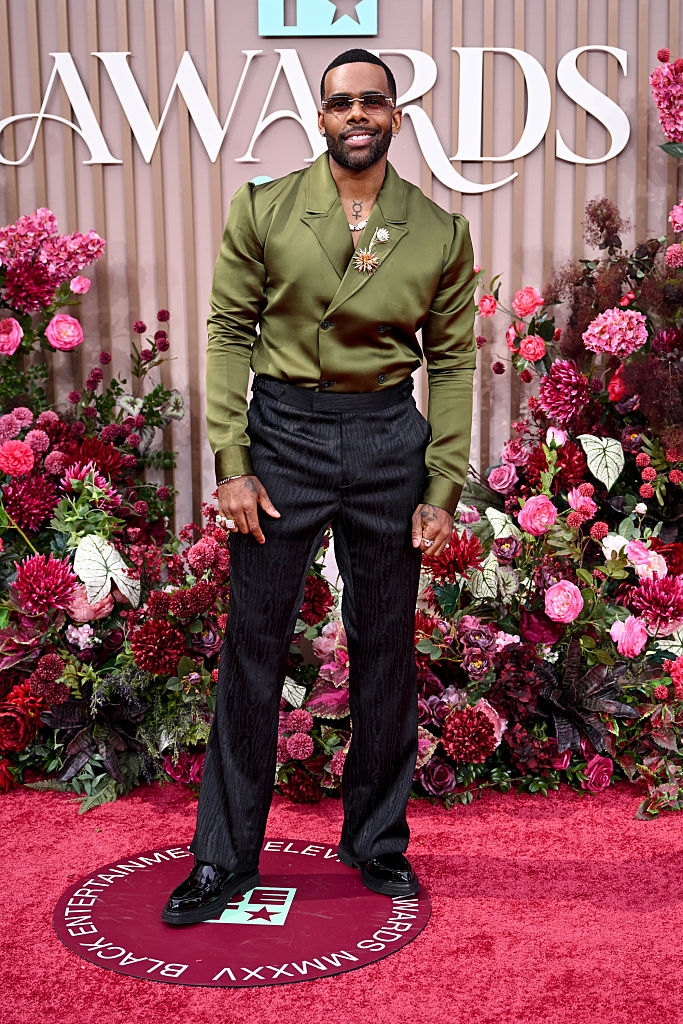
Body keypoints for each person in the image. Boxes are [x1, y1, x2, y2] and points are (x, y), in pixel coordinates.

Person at [162, 48, 476, 926]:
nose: (358, 116)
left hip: (386, 442)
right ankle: (222, 859)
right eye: (342, 104)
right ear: (321, 117)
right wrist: (232, 461)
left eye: (374, 101)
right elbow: (228, 330)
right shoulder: (264, 208)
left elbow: (451, 363)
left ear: (396, 116)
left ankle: (375, 845)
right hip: (284, 438)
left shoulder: (438, 229)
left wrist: (441, 487)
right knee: (252, 652)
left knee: (384, 656)